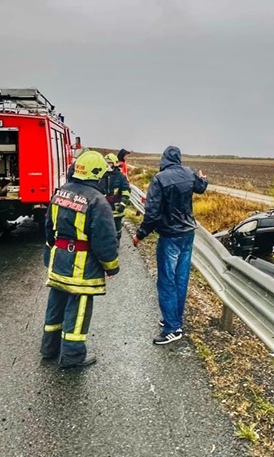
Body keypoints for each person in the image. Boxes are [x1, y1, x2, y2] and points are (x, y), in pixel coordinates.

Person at [41, 150, 120, 369]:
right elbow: (105, 240)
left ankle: (49, 348)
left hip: (59, 260)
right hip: (81, 267)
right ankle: (72, 356)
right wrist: (112, 267)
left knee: (55, 303)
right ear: (97, 174)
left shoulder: (61, 193)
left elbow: (48, 228)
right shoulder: (98, 201)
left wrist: (53, 252)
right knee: (78, 310)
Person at [132, 146, 207, 345]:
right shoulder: (189, 173)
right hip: (187, 235)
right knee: (180, 280)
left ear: (164, 160)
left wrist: (140, 234)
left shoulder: (160, 179)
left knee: (166, 281)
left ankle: (172, 328)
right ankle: (174, 320)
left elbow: (152, 214)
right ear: (178, 159)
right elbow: (201, 187)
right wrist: (203, 179)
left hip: (170, 236)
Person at [103, 153, 131, 242]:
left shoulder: (121, 177)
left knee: (117, 227)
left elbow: (126, 191)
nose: (107, 165)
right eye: (106, 163)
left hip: (116, 209)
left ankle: (116, 241)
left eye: (109, 163)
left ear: (114, 163)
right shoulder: (101, 175)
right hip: (103, 208)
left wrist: (123, 204)